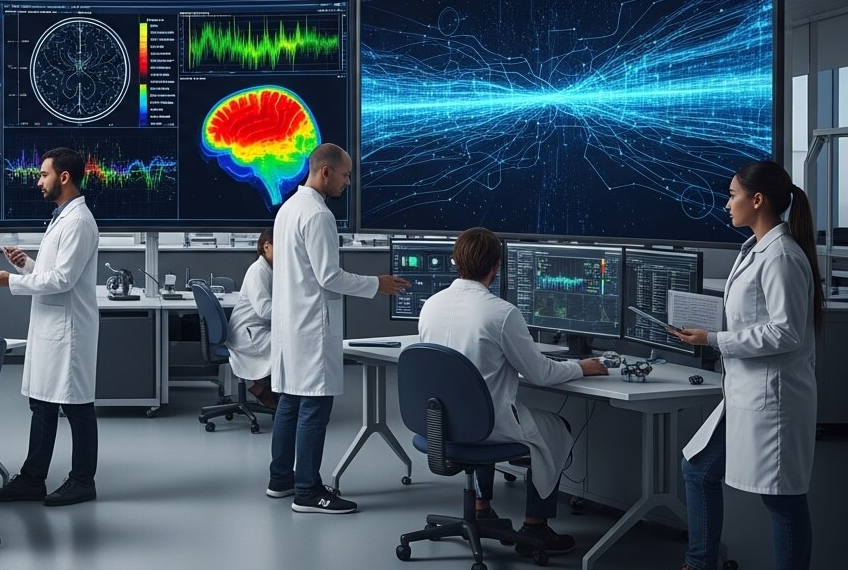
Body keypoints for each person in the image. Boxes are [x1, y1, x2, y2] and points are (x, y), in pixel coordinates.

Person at [417, 227, 608, 556]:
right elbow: (540, 372)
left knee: (477, 413)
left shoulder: (430, 306)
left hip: (442, 425)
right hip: (486, 426)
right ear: (496, 266)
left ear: (455, 260)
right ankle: (536, 527)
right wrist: (582, 367)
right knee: (556, 428)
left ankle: (481, 507)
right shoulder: (501, 313)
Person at [672, 161, 822, 570]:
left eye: (733, 196)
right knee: (698, 470)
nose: (726, 205)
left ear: (758, 201)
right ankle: (701, 563)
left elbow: (786, 332)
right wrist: (709, 333)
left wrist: (713, 340)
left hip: (773, 399)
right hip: (742, 392)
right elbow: (752, 320)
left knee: (782, 501)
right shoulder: (756, 250)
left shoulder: (783, 258)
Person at [268, 143, 409, 514]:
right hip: (310, 326)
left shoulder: (288, 209)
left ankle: (280, 479)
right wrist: (376, 283)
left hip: (290, 324)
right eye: (345, 175)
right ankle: (308, 492)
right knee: (313, 407)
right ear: (325, 172)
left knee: (289, 402)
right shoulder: (318, 216)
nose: (349, 182)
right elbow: (329, 277)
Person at [0, 147, 101, 507]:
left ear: (64, 177)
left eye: (44, 174)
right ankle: (33, 479)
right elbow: (52, 272)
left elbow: (64, 279)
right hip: (53, 327)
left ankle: (83, 481)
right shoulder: (62, 217)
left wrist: (12, 283)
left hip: (69, 332)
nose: (39, 181)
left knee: (78, 407)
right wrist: (25, 265)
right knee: (43, 405)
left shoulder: (79, 221)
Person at [227, 227, 277, 409]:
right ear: (266, 246)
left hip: (255, 329)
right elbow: (264, 309)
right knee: (290, 345)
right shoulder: (259, 271)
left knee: (290, 340)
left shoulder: (269, 269)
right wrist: (291, 314)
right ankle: (268, 390)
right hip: (248, 334)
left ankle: (264, 387)